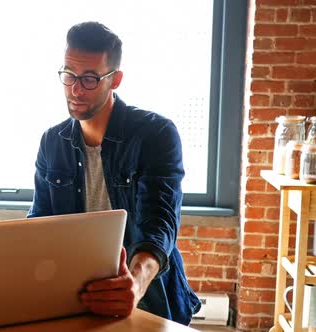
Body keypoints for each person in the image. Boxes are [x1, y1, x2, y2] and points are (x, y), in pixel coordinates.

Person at [28, 21, 200, 325]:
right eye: (68, 75)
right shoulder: (51, 142)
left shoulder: (155, 133)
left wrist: (135, 282)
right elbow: (41, 225)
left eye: (90, 79)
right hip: (75, 298)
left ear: (115, 79)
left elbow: (159, 225)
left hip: (150, 298)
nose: (76, 89)